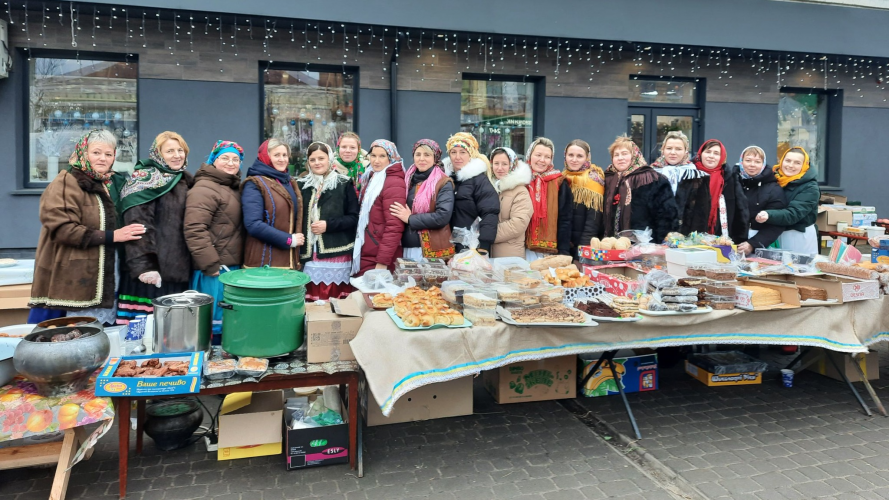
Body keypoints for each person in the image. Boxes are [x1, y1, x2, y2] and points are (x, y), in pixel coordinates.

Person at [28, 130, 144, 325]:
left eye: (108, 154)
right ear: (83, 153)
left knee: (103, 337)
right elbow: (62, 229)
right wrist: (112, 236)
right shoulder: (66, 183)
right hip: (73, 278)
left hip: (107, 274)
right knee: (72, 336)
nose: (102, 158)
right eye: (96, 152)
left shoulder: (114, 183)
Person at [116, 131, 194, 323]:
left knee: (173, 331)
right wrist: (145, 267)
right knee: (145, 332)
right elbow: (138, 225)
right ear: (158, 154)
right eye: (170, 151)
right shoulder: (144, 180)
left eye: (180, 150)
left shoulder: (185, 180)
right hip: (150, 274)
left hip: (177, 270)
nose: (177, 155)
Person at [184, 140, 245, 342]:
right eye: (225, 158)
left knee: (229, 324)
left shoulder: (231, 186)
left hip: (230, 268)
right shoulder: (205, 188)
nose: (231, 163)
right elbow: (194, 228)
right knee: (214, 328)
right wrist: (210, 264)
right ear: (213, 160)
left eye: (236, 159)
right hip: (214, 271)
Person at [296, 142, 359, 301]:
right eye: (312, 159)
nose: (317, 163)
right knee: (312, 300)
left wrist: (328, 225)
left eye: (321, 158)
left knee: (335, 301)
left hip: (337, 251)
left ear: (330, 159)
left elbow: (353, 217)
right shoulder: (301, 185)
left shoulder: (343, 183)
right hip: (310, 254)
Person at [241, 139, 303, 269]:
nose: (282, 159)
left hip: (289, 260)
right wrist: (289, 240)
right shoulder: (254, 183)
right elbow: (253, 224)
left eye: (284, 155)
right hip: (263, 262)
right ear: (265, 157)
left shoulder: (289, 182)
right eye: (276, 155)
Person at [602, 136, 677, 243]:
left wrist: (660, 245)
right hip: (611, 245)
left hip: (643, 247)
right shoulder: (607, 179)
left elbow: (667, 217)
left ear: (635, 156)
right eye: (616, 155)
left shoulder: (653, 179)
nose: (620, 158)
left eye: (624, 153)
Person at [391, 139, 455, 261]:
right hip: (406, 245)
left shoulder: (443, 182)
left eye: (427, 155)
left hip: (431, 249)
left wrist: (410, 219)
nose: (422, 158)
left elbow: (442, 216)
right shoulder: (406, 179)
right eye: (418, 154)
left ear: (435, 158)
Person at [352, 139, 407, 276]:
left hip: (378, 255)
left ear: (391, 158)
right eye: (373, 155)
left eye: (382, 156)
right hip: (369, 249)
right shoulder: (371, 177)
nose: (376, 160)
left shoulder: (393, 182)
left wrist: (382, 262)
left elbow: (394, 226)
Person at [755, 147, 820, 254]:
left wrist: (768, 215)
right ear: (782, 161)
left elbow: (793, 214)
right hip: (774, 234)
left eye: (797, 163)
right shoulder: (774, 179)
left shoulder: (810, 187)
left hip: (798, 237)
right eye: (788, 161)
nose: (790, 165)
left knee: (798, 268)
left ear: (805, 165)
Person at [443, 132, 500, 254]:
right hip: (445, 247)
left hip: (470, 248)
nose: (457, 157)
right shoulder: (444, 179)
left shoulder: (479, 181)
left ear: (471, 154)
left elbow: (489, 213)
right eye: (453, 152)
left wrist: (483, 247)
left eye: (463, 152)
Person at [649, 131, 711, 236]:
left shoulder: (695, 176)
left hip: (686, 236)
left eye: (678, 149)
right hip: (655, 235)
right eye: (669, 148)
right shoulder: (651, 174)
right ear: (662, 150)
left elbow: (701, 212)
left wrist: (693, 237)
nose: (673, 152)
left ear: (686, 151)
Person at [691, 139, 749, 244]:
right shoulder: (689, 174)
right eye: (708, 152)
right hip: (689, 238)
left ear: (722, 158)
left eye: (716, 153)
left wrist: (739, 239)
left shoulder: (730, 178)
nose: (711, 156)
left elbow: (740, 211)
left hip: (721, 238)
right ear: (700, 154)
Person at [524, 137, 573, 260]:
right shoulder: (519, 179)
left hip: (549, 252)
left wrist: (563, 252)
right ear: (530, 155)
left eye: (547, 157)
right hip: (520, 247)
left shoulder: (559, 182)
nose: (542, 160)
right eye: (538, 155)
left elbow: (565, 220)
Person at [735, 146, 787, 255]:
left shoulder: (773, 189)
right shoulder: (732, 183)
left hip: (761, 246)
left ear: (763, 164)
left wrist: (753, 244)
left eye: (757, 161)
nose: (752, 165)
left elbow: (777, 223)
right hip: (731, 243)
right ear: (741, 161)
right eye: (748, 160)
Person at [562, 139, 605, 258]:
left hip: (582, 249)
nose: (574, 160)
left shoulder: (594, 180)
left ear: (587, 158)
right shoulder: (562, 177)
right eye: (570, 155)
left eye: (579, 156)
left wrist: (581, 253)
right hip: (564, 247)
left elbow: (593, 223)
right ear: (565, 156)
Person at [490, 147, 532, 259]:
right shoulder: (490, 187)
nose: (499, 168)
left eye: (504, 164)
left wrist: (488, 233)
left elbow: (518, 223)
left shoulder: (520, 191)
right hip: (489, 254)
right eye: (496, 163)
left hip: (510, 255)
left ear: (512, 165)